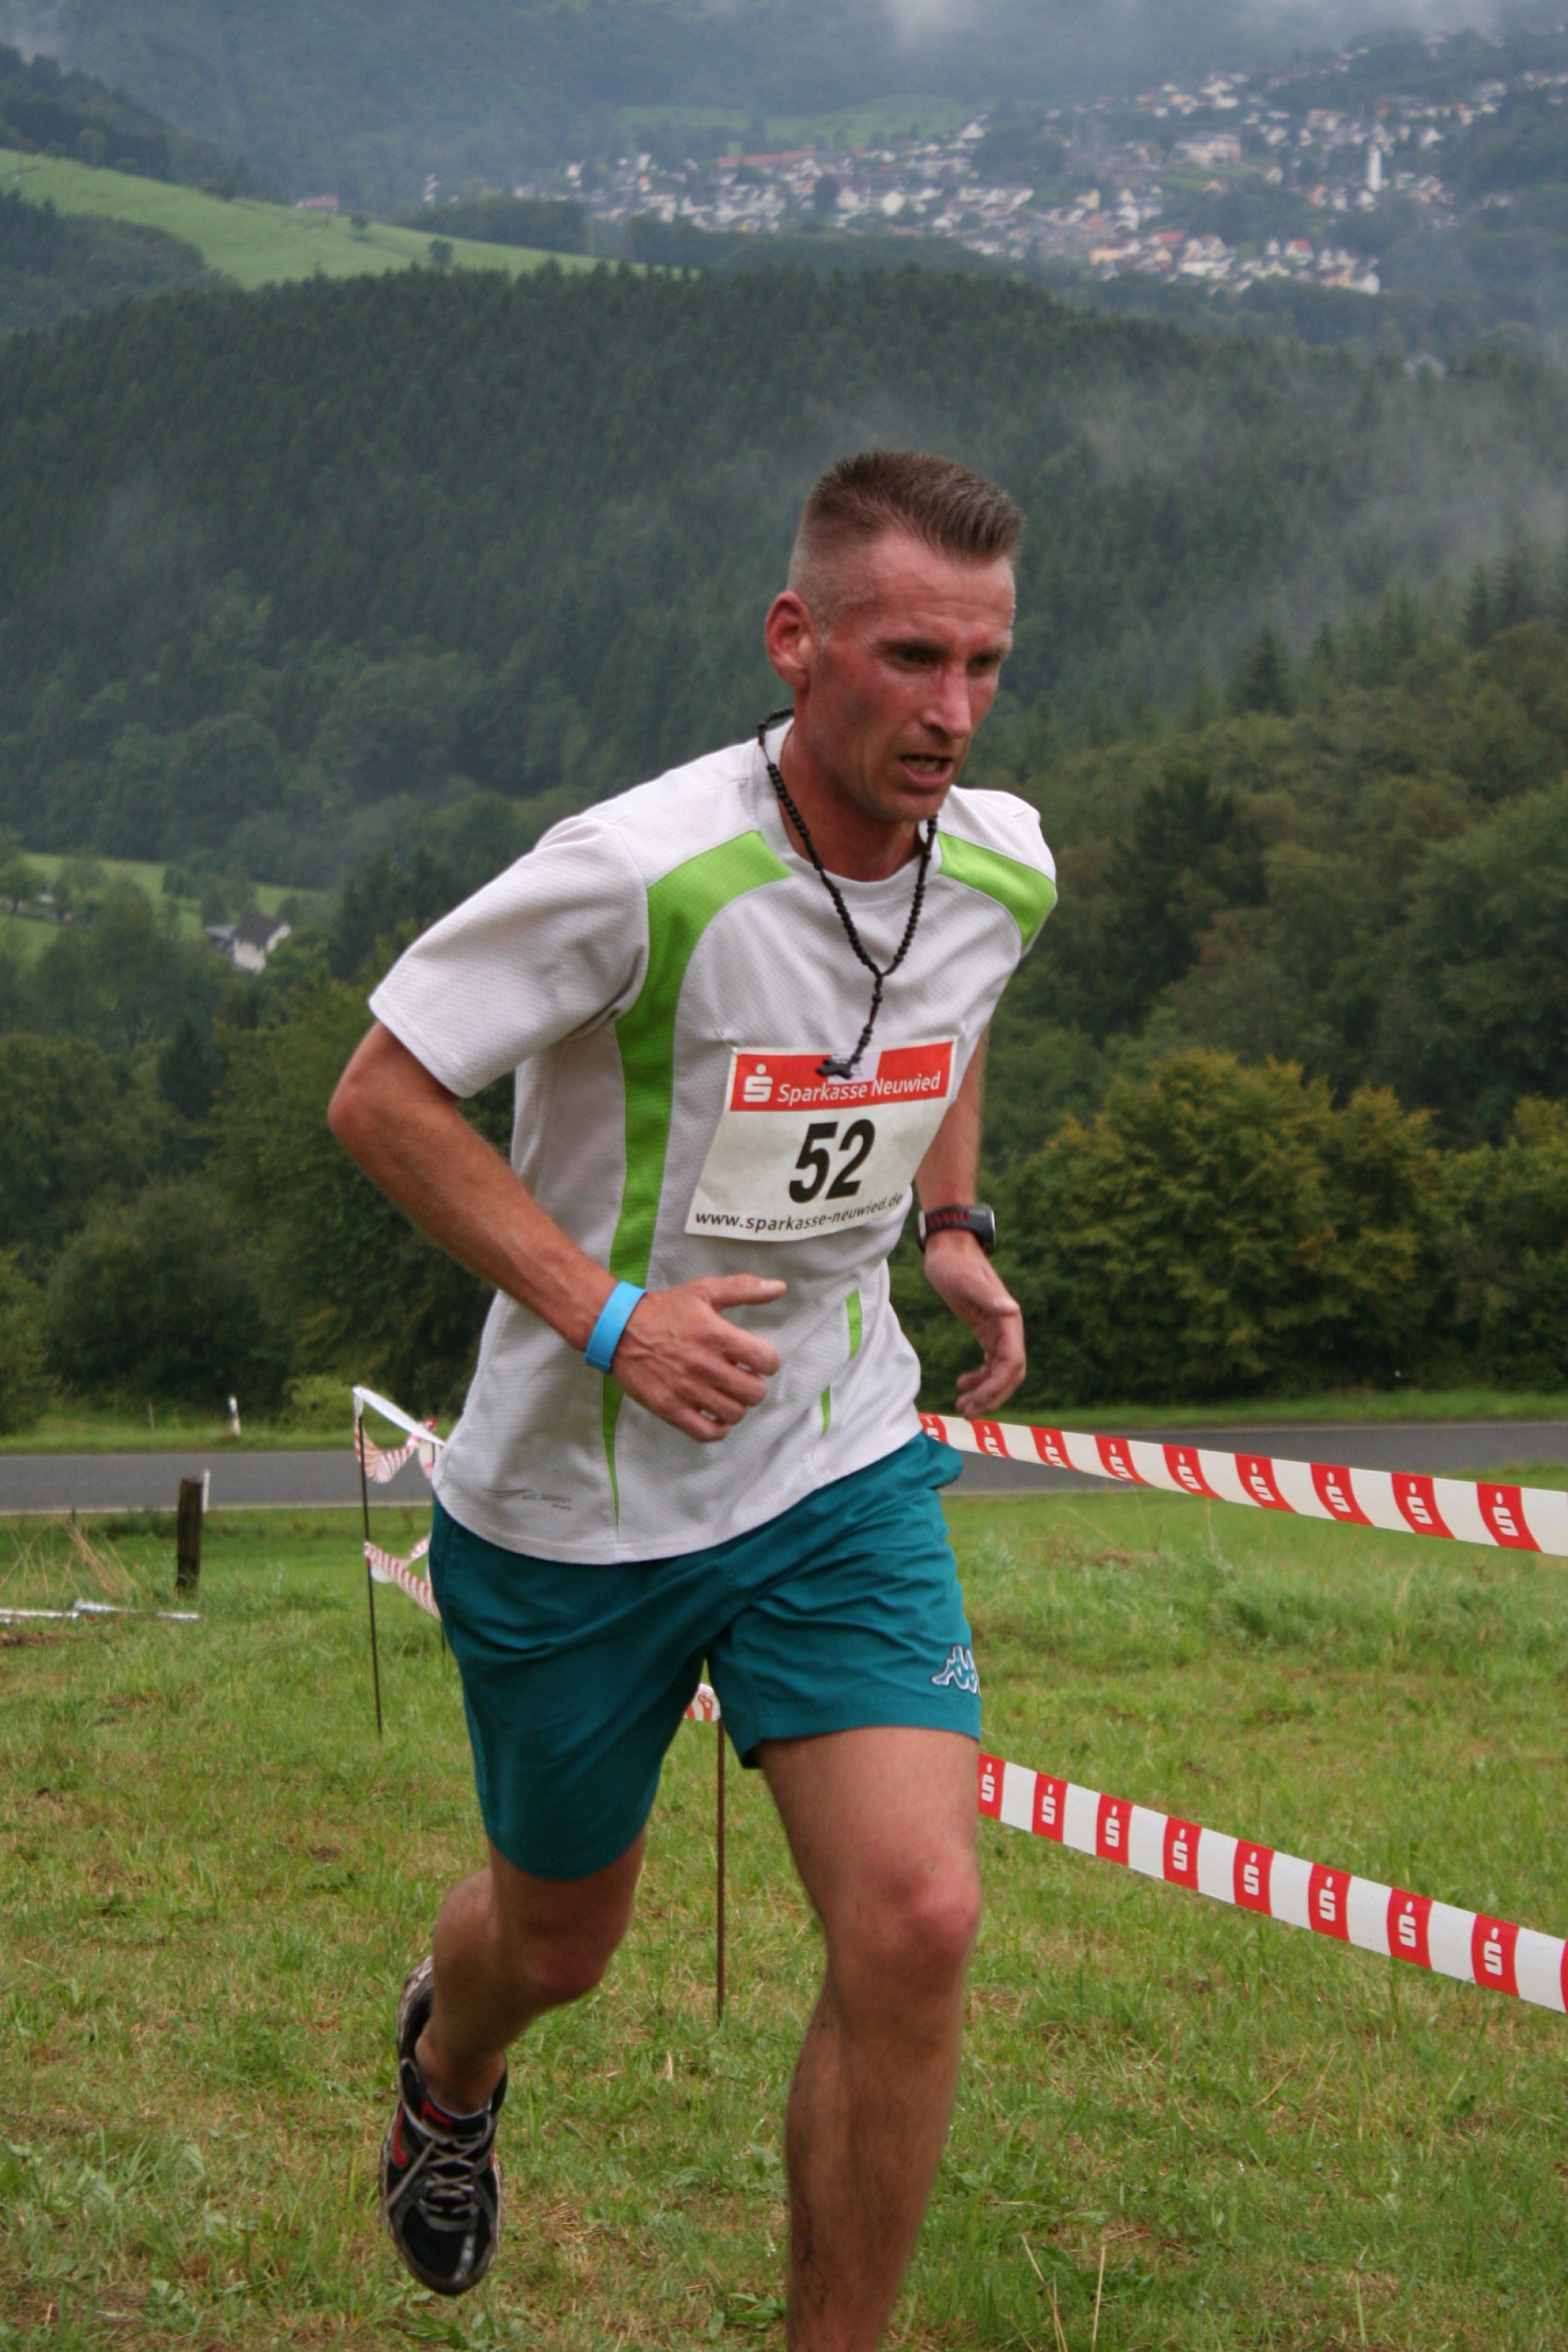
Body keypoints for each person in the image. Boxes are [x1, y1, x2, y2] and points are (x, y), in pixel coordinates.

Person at [328, 449, 1057, 2347]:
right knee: (556, 1942)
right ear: (795, 640)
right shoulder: (640, 868)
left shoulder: (1001, 859)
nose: (952, 709)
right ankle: (450, 2066)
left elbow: (939, 1013)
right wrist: (607, 1317)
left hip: (832, 1463)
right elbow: (382, 1096)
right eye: (909, 658)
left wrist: (948, 1223)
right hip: (578, 1507)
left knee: (919, 1920)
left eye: (983, 663)